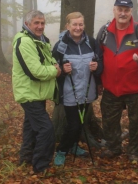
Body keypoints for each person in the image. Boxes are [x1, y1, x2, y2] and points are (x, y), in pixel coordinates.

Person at [96, 0, 138, 162]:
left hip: (135, 89)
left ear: (131, 12)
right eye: (120, 10)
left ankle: (133, 152)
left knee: (136, 123)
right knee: (109, 121)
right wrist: (98, 82)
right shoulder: (104, 31)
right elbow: (98, 58)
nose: (123, 13)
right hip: (110, 88)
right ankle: (114, 147)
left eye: (126, 10)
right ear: (114, 10)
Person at [12, 10, 61, 174]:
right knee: (46, 129)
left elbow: (48, 60)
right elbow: (35, 71)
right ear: (27, 24)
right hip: (29, 94)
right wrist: (55, 71)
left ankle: (26, 157)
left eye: (42, 23)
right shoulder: (25, 42)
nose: (40, 26)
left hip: (36, 93)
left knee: (31, 127)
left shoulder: (39, 40)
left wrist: (56, 65)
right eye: (36, 23)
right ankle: (41, 166)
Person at [51, 12, 103, 166]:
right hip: (69, 92)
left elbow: (101, 64)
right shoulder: (60, 46)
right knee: (74, 124)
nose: (78, 27)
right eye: (74, 24)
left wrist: (97, 67)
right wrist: (62, 69)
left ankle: (73, 146)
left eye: (81, 24)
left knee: (81, 122)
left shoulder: (91, 43)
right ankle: (61, 150)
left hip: (87, 91)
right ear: (67, 26)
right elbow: (52, 69)